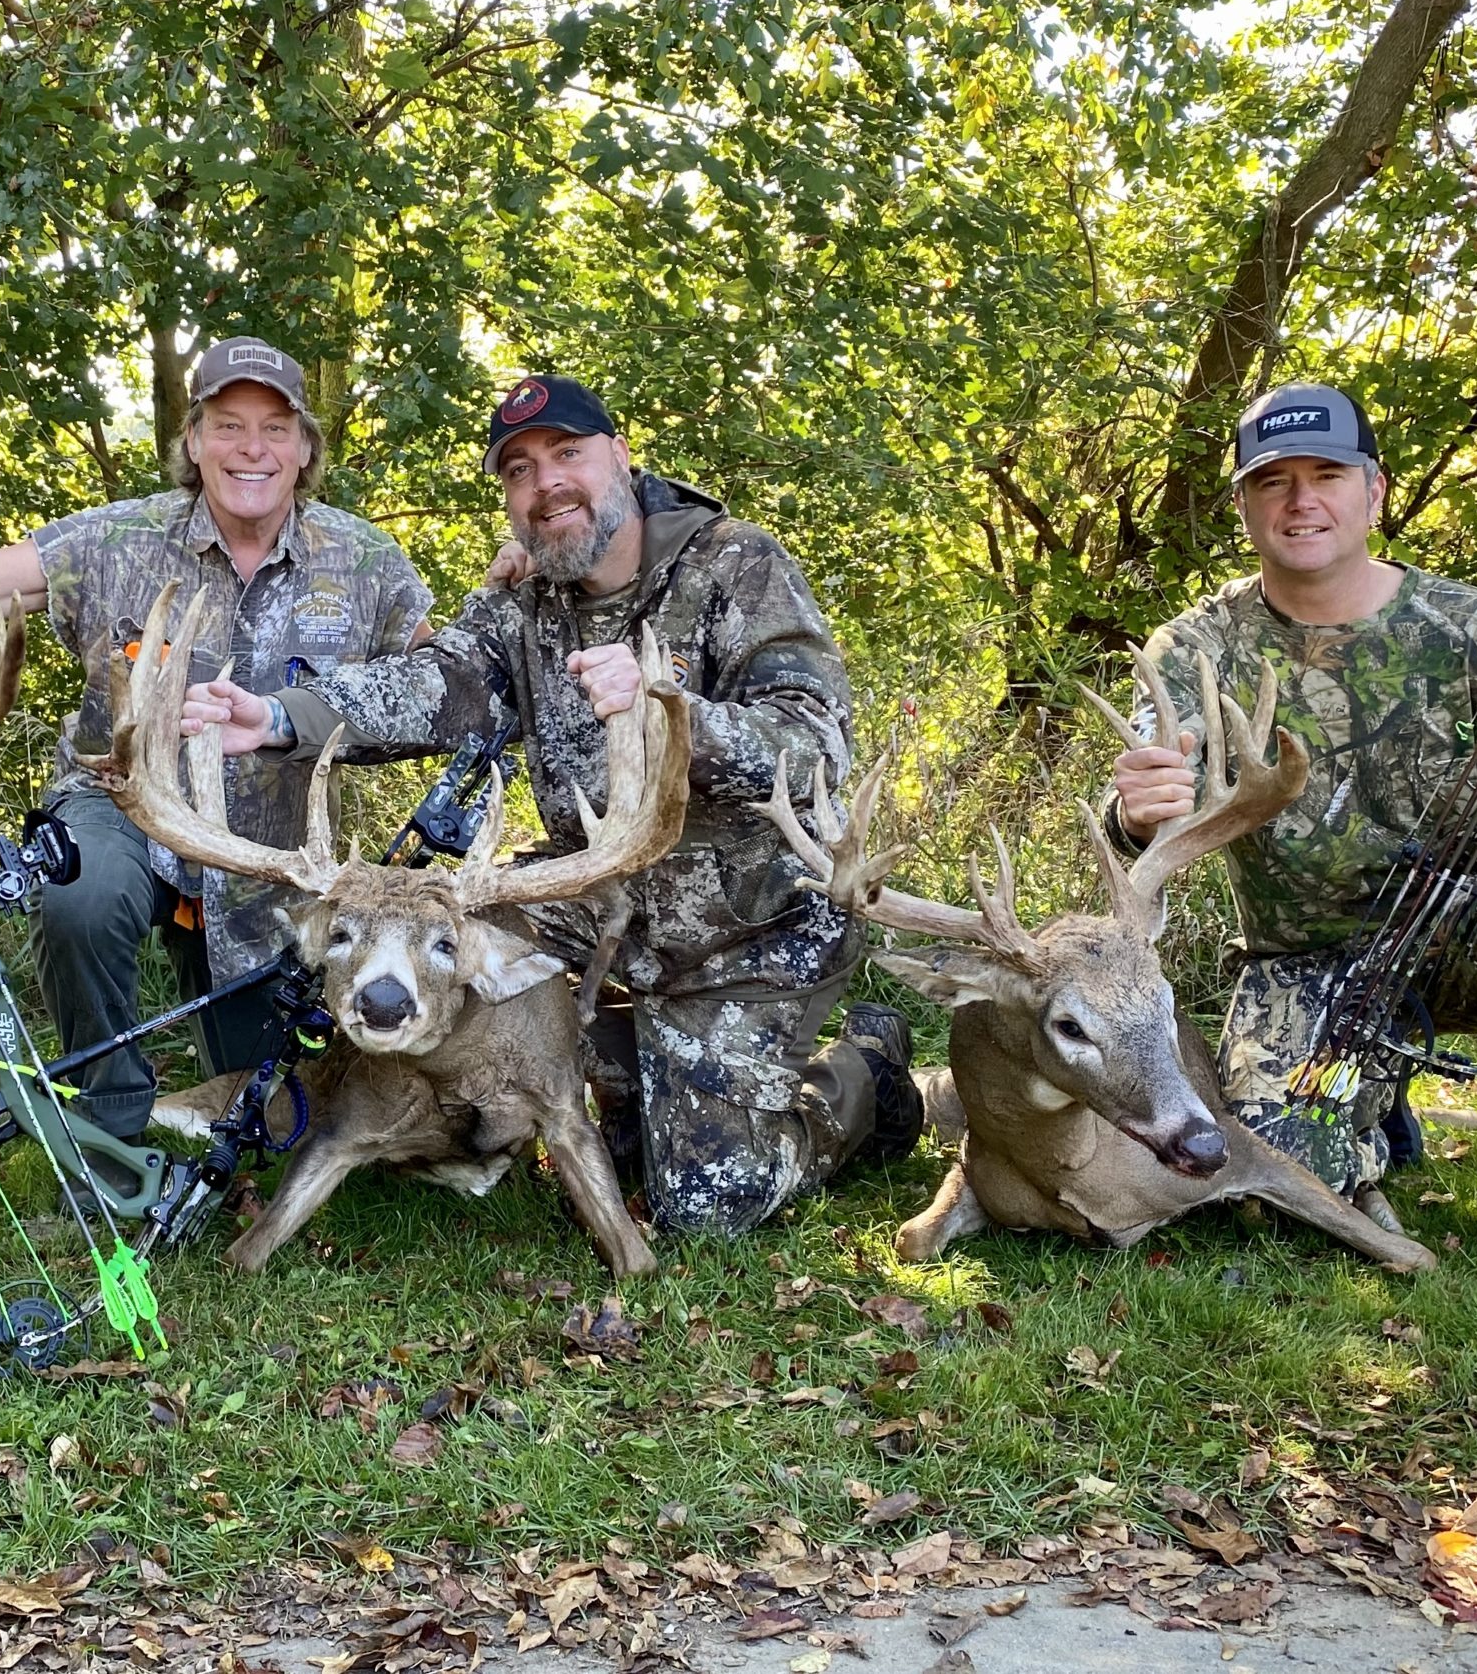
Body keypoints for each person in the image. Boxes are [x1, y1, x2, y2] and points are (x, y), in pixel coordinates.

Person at [184, 375, 923, 1237]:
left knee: (702, 1202)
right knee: (448, 933)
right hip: (598, 915)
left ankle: (868, 1071)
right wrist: (279, 717)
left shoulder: (736, 564)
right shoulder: (524, 602)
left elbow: (817, 747)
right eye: (520, 471)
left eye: (568, 454)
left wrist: (672, 716)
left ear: (620, 457)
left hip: (750, 931)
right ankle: (449, 1118)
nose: (548, 484)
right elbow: (439, 686)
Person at [0, 339, 431, 1139]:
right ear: (194, 439)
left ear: (305, 447)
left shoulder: (364, 559)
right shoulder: (115, 542)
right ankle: (108, 1127)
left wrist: (502, 602)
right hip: (119, 805)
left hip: (268, 852)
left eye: (275, 429)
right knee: (81, 895)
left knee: (273, 1118)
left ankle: (226, 1113)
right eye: (228, 425)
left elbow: (436, 684)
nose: (252, 449)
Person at [1107, 381, 1477, 1289]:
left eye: (1327, 475)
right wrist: (1136, 810)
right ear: (1244, 503)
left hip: (1459, 935)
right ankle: (1372, 1105)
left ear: (1376, 491)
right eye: (1273, 481)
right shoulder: (1196, 648)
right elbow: (1149, 811)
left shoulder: (1473, 627)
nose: (1301, 501)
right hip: (1304, 958)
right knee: (1273, 1179)